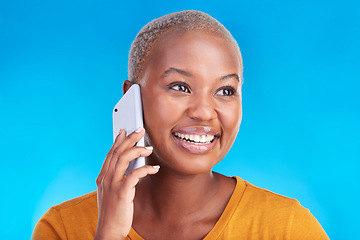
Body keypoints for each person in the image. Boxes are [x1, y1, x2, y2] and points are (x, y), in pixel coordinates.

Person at [32, 10, 329, 240]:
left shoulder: (287, 227)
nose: (203, 112)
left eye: (225, 91)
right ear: (131, 97)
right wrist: (108, 233)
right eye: (180, 87)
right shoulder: (63, 228)